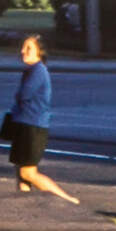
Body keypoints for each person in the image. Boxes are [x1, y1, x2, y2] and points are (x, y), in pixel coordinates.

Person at [7, 34, 78, 203]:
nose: (23, 51)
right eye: (23, 47)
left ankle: (67, 200)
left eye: (28, 48)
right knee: (20, 171)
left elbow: (24, 95)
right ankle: (25, 206)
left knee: (27, 173)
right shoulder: (31, 71)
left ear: (40, 52)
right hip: (25, 125)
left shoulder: (38, 71)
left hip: (33, 127)